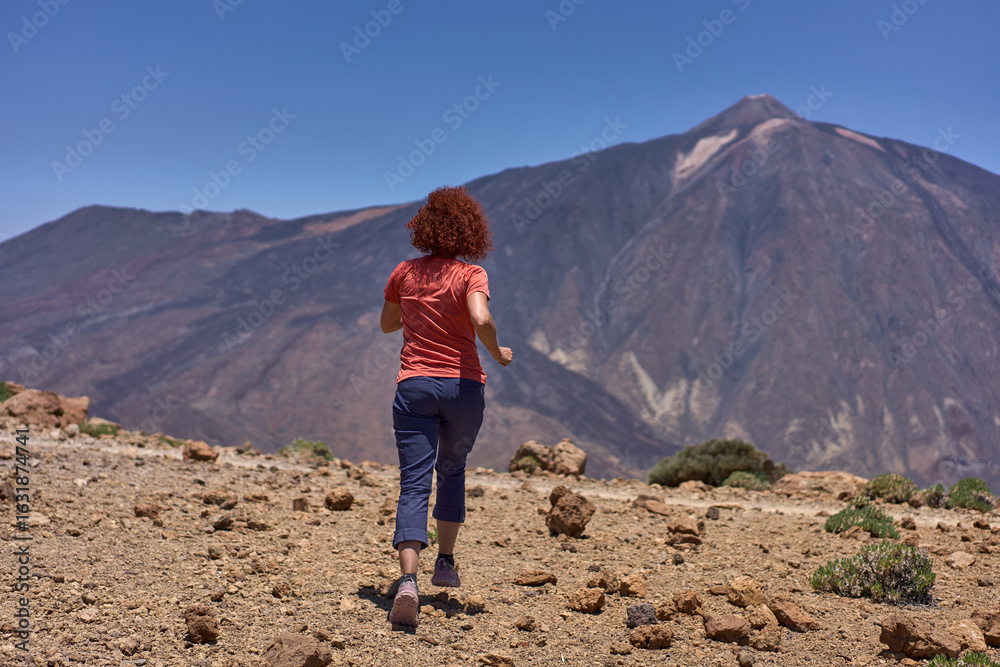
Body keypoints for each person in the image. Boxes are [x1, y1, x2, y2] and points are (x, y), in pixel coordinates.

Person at [380, 185, 513, 627]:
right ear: (469, 231)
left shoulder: (404, 272)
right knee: (451, 471)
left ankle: (407, 583)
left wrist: (416, 310)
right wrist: (497, 352)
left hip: (414, 387)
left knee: (414, 483)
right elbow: (480, 318)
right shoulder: (471, 275)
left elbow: (388, 324)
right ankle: (446, 563)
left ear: (424, 228)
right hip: (463, 388)